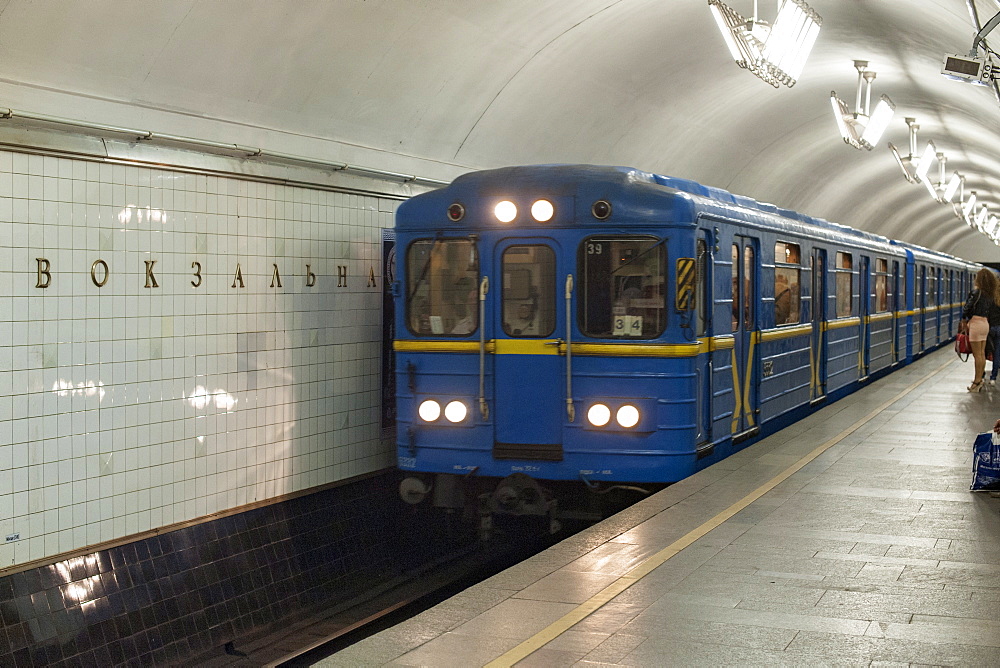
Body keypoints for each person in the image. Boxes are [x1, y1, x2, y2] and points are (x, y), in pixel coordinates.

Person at [962, 268, 1000, 392]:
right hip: (985, 324)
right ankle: (980, 380)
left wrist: (965, 319)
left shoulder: (976, 293)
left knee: (977, 355)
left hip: (976, 323)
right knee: (982, 354)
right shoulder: (990, 294)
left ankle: (977, 381)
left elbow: (967, 308)